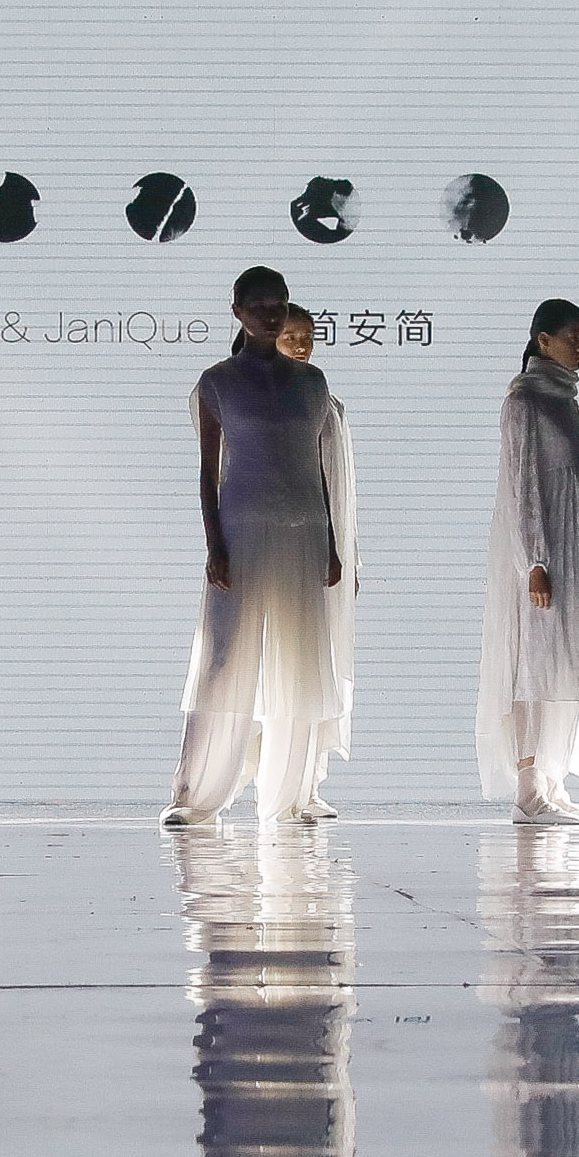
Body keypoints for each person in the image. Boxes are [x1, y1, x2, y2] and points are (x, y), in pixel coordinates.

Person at [165, 267, 353, 826]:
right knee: (224, 657)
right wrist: (214, 543)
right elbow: (208, 472)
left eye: (279, 305)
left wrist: (332, 544)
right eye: (259, 306)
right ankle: (194, 793)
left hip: (304, 530)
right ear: (238, 311)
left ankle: (291, 793)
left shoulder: (313, 383)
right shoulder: (217, 382)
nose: (271, 316)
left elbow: (319, 470)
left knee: (299, 660)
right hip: (242, 529)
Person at [479, 299, 579, 825]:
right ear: (542, 340)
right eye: (571, 337)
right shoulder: (525, 401)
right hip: (542, 561)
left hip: (572, 552)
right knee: (533, 666)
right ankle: (528, 791)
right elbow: (524, 486)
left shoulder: (563, 400)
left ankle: (552, 783)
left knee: (563, 663)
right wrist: (534, 560)